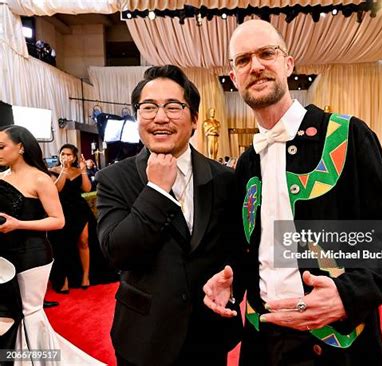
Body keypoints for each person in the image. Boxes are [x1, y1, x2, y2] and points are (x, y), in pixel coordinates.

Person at [203, 19, 382, 366]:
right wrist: (230, 281)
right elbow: (251, 251)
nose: (255, 66)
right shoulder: (246, 163)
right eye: (243, 60)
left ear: (288, 63)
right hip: (264, 343)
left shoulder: (347, 135)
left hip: (338, 347)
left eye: (266, 54)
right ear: (234, 75)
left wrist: (347, 296)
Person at [95, 65, 243, 366]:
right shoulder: (114, 178)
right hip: (144, 335)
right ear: (138, 117)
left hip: (208, 332)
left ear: (195, 120)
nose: (160, 117)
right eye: (148, 107)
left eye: (174, 107)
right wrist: (157, 191)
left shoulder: (224, 179)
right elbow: (117, 253)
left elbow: (237, 249)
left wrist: (232, 284)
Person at [0, 125, 104, 365]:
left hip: (32, 255)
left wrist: (19, 225)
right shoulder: (2, 177)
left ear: (21, 147)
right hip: (5, 255)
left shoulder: (40, 178)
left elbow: (58, 221)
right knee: (12, 315)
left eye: (2, 146)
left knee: (30, 314)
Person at [49, 144, 94, 292]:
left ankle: (85, 276)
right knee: (64, 246)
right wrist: (63, 170)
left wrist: (83, 171)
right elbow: (57, 189)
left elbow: (87, 189)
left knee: (84, 240)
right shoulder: (53, 170)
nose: (66, 157)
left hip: (79, 209)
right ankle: (64, 279)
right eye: (63, 154)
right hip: (61, 210)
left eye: (69, 155)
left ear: (74, 157)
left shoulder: (78, 170)